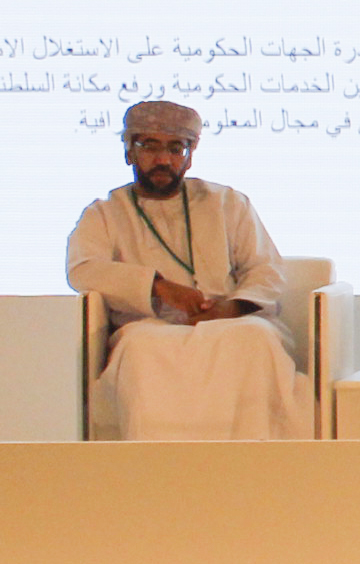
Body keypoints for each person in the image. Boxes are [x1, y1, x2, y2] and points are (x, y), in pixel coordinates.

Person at [66, 101, 312, 440]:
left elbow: (266, 268)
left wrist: (230, 308)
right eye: (150, 146)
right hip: (149, 325)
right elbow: (84, 270)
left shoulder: (227, 202)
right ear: (129, 152)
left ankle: (254, 459)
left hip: (231, 322)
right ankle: (157, 464)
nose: (163, 160)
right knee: (140, 350)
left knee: (256, 339)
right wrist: (158, 287)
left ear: (190, 155)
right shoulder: (104, 214)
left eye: (175, 148)